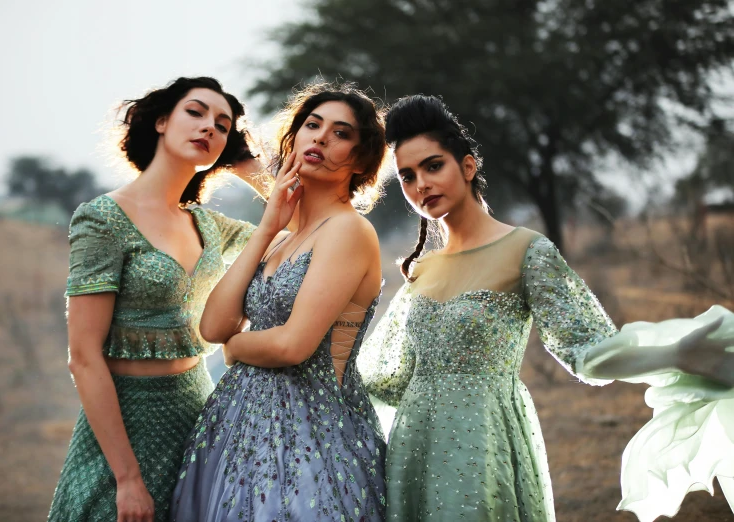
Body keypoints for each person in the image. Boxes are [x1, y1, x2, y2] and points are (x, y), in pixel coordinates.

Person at [357, 94, 734, 522]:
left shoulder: (526, 251)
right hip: (413, 451)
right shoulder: (422, 270)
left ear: (467, 166)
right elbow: (384, 380)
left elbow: (588, 352)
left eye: (433, 165)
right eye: (407, 175)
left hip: (483, 444)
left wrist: (677, 356)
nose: (420, 184)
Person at [48, 77, 268, 522]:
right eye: (196, 112)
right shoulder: (103, 219)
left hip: (198, 416)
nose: (209, 127)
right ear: (162, 122)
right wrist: (128, 479)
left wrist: (246, 163)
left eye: (223, 125)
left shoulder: (209, 226)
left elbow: (298, 229)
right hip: (127, 427)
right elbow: (83, 356)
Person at [170, 82, 388, 521]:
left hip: (313, 438)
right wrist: (268, 228)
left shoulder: (349, 231)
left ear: (362, 160)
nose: (321, 138)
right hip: (238, 431)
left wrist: (236, 349)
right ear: (294, 139)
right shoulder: (282, 237)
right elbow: (212, 327)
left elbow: (292, 346)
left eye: (341, 134)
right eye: (312, 125)